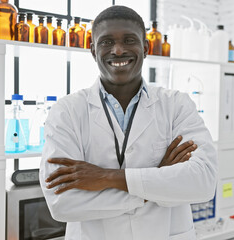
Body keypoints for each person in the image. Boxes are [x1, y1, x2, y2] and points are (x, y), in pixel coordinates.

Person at [40, 5, 217, 240]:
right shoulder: (67, 111)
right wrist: (156, 181)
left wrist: (106, 178)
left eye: (129, 40)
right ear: (93, 50)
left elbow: (202, 183)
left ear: (145, 47)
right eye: (106, 42)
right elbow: (62, 203)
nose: (118, 50)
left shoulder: (177, 105)